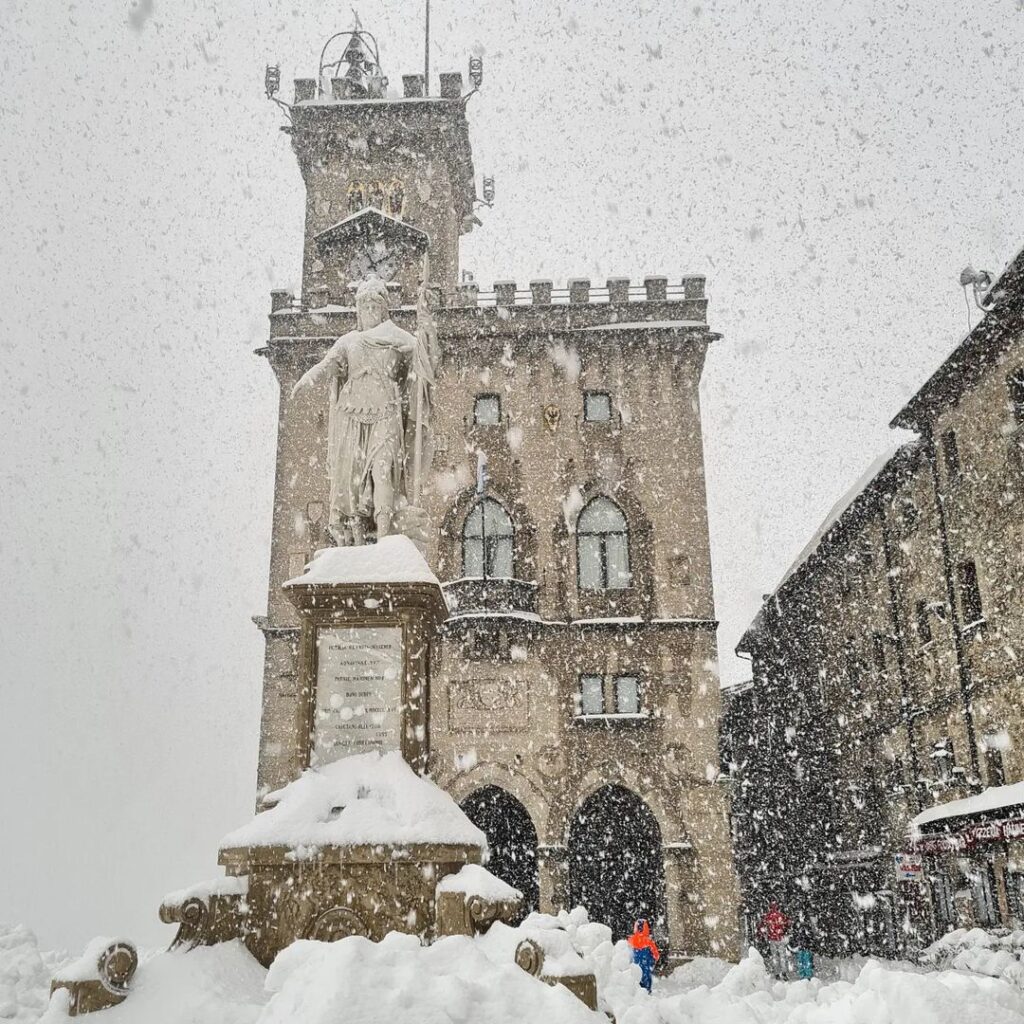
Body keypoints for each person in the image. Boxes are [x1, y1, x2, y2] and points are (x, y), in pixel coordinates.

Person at [291, 278, 416, 545]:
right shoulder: (349, 341)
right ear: (357, 310)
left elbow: (427, 362)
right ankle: (356, 541)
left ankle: (384, 538)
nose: (369, 310)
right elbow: (326, 365)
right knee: (353, 482)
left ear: (384, 309)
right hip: (352, 416)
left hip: (386, 413)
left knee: (383, 471)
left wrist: (427, 334)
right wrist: (304, 380)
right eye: (364, 306)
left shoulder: (399, 337)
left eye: (374, 305)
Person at [758, 901, 791, 979]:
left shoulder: (768, 916)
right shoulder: (781, 915)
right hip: (780, 938)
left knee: (774, 957)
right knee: (782, 956)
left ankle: (776, 973)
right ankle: (784, 973)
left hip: (772, 939)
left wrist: (765, 934)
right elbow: (787, 924)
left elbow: (763, 926)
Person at [628, 919, 660, 993]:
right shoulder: (648, 941)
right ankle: (647, 991)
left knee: (635, 977)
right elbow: (656, 954)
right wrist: (654, 959)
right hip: (646, 964)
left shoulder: (631, 940)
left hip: (635, 965)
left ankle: (636, 990)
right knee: (646, 976)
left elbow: (627, 953)